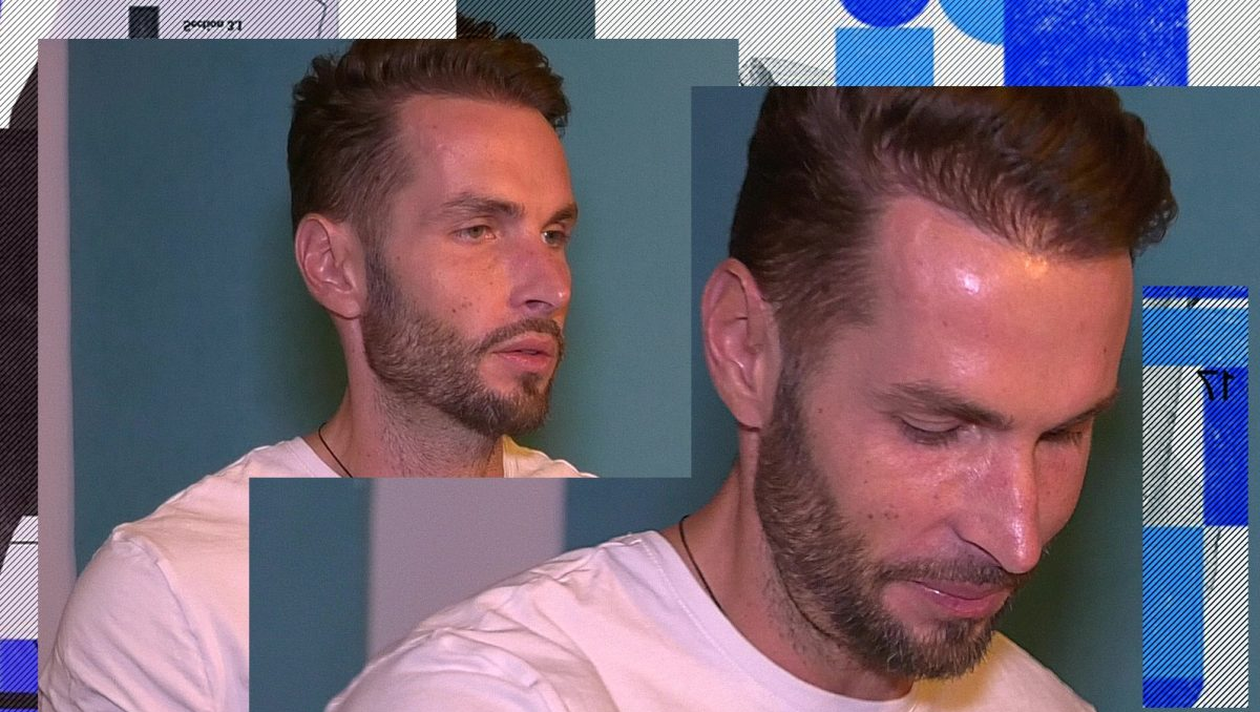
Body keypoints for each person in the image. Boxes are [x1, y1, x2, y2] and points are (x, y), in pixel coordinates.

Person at [327, 87, 1177, 711]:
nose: (1017, 539)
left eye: (1063, 435)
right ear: (745, 348)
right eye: (937, 427)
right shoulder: (493, 695)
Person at [42, 32, 592, 712]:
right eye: (477, 229)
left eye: (554, 235)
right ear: (334, 267)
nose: (550, 287)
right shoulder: (173, 601)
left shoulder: (620, 559)